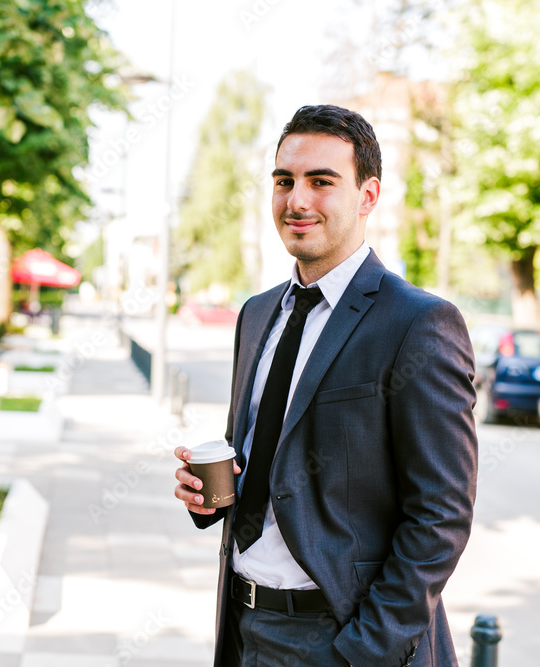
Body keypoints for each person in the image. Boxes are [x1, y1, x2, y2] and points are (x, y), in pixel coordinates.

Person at [173, 104, 477, 667]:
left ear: (367, 196)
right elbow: (268, 460)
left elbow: (441, 516)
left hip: (340, 637)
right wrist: (212, 497)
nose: (298, 200)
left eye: (322, 181)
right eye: (285, 180)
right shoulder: (257, 313)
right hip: (243, 628)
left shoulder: (418, 323)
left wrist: (363, 651)